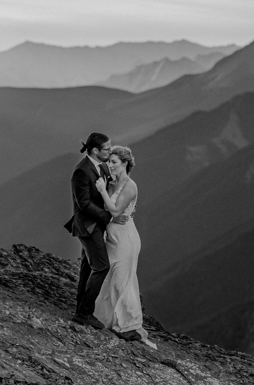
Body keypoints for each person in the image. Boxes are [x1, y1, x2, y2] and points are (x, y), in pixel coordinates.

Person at [93, 145, 156, 349]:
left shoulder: (130, 186)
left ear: (125, 164)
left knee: (123, 281)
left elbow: (115, 209)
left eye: (114, 162)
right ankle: (108, 320)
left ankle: (129, 325)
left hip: (125, 238)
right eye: (109, 161)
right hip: (111, 236)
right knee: (109, 277)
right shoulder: (112, 182)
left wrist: (102, 191)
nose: (109, 165)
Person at [63, 133, 128, 329]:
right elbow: (83, 204)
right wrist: (110, 217)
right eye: (107, 149)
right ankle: (84, 313)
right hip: (88, 226)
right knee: (101, 267)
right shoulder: (81, 171)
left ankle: (80, 310)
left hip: (94, 225)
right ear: (95, 151)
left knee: (87, 267)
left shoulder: (99, 167)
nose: (110, 151)